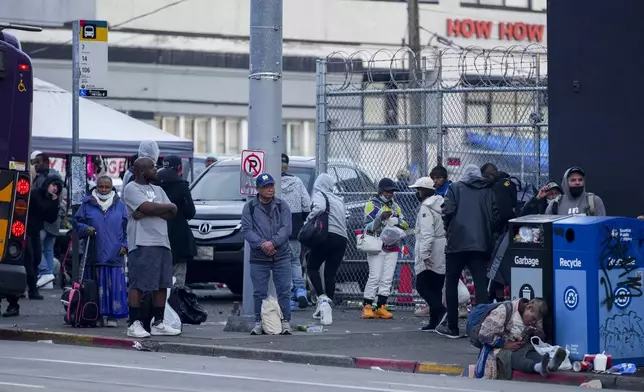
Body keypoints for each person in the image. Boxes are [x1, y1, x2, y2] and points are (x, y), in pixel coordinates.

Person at [436, 164, 499, 338]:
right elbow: (495, 216)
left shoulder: (455, 188)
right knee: (480, 285)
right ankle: (480, 327)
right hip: (480, 244)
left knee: (451, 283)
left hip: (457, 243)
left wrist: (449, 230)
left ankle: (453, 326)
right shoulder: (488, 190)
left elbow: (447, 211)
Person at [122, 157, 181, 338]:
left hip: (162, 241)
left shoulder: (159, 189)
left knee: (162, 284)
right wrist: (162, 207)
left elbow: (173, 213)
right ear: (141, 170)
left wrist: (159, 209)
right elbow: (147, 206)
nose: (156, 170)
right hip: (141, 242)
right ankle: (134, 323)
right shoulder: (131, 188)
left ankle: (159, 323)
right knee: (138, 283)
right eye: (152, 167)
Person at [2, 175, 63, 316]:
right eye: (53, 185)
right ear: (48, 184)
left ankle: (31, 288)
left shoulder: (51, 199)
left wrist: (54, 203)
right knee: (29, 259)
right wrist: (52, 202)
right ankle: (30, 289)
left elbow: (51, 218)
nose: (54, 188)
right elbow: (40, 208)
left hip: (35, 230)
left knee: (36, 258)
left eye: (57, 187)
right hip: (25, 230)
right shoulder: (36, 194)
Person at [240, 173, 293, 335]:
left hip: (281, 254)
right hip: (259, 256)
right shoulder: (249, 207)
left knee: (284, 290)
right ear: (258, 189)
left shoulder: (282, 205)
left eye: (271, 186)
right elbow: (247, 230)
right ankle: (259, 322)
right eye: (266, 187)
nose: (270, 189)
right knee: (259, 292)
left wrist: (273, 243)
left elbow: (287, 228)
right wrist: (263, 244)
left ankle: (286, 322)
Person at [73, 176, 129, 327]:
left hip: (115, 254)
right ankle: (95, 315)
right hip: (93, 254)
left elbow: (127, 229)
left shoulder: (120, 205)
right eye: (101, 186)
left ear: (111, 188)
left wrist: (125, 246)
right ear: (96, 186)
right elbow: (77, 223)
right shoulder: (87, 204)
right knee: (94, 286)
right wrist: (85, 229)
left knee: (114, 286)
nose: (104, 190)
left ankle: (112, 316)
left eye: (107, 187)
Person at [470, 298, 565, 379]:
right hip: (494, 349)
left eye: (536, 320)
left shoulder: (530, 317)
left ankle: (549, 365)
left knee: (530, 351)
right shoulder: (504, 310)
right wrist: (504, 344)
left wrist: (535, 331)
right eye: (533, 319)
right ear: (528, 308)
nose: (533, 322)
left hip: (516, 346)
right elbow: (483, 334)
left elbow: (540, 335)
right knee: (511, 356)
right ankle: (537, 367)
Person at [361, 178, 409, 320]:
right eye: (387, 191)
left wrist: (398, 221)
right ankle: (367, 306)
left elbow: (405, 224)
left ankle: (381, 306)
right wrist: (380, 218)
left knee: (387, 278)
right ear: (380, 191)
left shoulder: (396, 206)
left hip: (392, 245)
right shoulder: (372, 204)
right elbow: (367, 226)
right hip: (376, 245)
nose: (390, 194)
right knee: (375, 276)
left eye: (392, 192)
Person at [305, 173, 347, 313]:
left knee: (311, 267)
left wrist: (308, 220)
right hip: (342, 239)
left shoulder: (320, 195)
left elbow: (320, 208)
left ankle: (322, 298)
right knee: (330, 273)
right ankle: (328, 304)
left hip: (327, 236)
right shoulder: (339, 200)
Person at [409, 177, 446, 331]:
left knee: (422, 285)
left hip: (430, 248)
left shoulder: (426, 207)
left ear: (424, 191)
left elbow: (427, 233)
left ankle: (441, 312)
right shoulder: (441, 203)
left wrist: (424, 253)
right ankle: (434, 321)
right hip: (442, 246)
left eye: (419, 190)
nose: (418, 193)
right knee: (436, 285)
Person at [156, 155, 197, 286]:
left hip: (157, 235)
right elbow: (190, 212)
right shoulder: (181, 186)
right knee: (178, 278)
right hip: (179, 237)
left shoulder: (154, 184)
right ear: (179, 167)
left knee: (160, 280)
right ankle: (177, 303)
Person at [280, 153, 311, 309]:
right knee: (295, 262)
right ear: (288, 166)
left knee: (281, 264)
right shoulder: (297, 181)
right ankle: (299, 291)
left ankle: (288, 299)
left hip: (278, 231)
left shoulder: (271, 184)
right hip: (295, 228)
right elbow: (307, 204)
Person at [31, 152, 63, 290]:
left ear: (45, 162)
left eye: (37, 162)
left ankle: (45, 272)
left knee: (36, 248)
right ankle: (48, 278)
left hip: (45, 220)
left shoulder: (47, 179)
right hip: (54, 220)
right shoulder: (56, 176)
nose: (35, 166)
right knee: (48, 249)